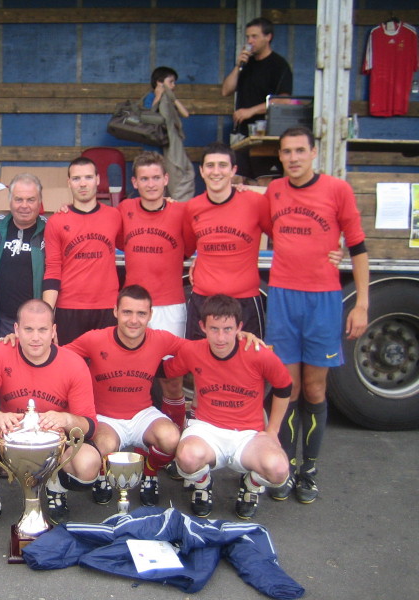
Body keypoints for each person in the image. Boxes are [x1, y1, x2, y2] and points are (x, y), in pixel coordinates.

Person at [265, 127, 369, 504]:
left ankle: (308, 469)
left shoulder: (337, 190)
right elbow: (254, 226)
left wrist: (362, 304)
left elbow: (357, 247)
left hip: (323, 299)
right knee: (287, 389)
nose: (293, 157)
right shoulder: (274, 191)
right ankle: (284, 468)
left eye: (300, 151)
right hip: (283, 298)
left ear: (313, 153)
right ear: (279, 156)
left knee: (314, 388)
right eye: (286, 151)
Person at [0, 299, 101, 532]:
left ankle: (56, 489)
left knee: (88, 464)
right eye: (28, 329)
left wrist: (66, 419)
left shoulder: (73, 363)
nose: (35, 337)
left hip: (55, 439)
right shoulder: (0, 352)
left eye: (43, 329)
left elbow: (90, 426)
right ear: (16, 330)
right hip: (13, 436)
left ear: (53, 331)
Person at [164, 295, 292, 520]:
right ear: (202, 326)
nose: (221, 337)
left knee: (278, 469)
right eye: (214, 329)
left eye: (227, 329)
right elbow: (162, 371)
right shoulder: (193, 351)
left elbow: (284, 387)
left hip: (248, 434)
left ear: (239, 327)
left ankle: (251, 486)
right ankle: (202, 486)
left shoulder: (258, 353)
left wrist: (272, 430)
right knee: (187, 457)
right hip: (207, 429)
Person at [65, 286, 185, 507]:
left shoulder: (160, 339)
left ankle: (149, 472)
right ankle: (103, 474)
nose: (134, 320)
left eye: (141, 314)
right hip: (105, 418)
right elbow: (57, 357)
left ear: (150, 315)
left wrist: (240, 339)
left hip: (142, 414)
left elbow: (201, 351)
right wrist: (20, 342)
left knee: (171, 439)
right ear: (115, 312)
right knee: (104, 444)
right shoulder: (94, 339)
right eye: (127, 312)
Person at [120, 152, 189, 425]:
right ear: (135, 182)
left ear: (166, 179)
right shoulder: (124, 209)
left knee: (171, 379)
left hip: (170, 306)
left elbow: (194, 246)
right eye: (144, 179)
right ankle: (140, 439)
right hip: (134, 308)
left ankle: (174, 441)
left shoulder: (181, 212)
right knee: (133, 377)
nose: (151, 184)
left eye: (156, 178)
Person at [183, 143, 271, 340]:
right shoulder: (192, 208)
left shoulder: (255, 203)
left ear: (233, 171)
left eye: (222, 165)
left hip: (244, 302)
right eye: (210, 165)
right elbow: (186, 249)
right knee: (200, 366)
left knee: (246, 367)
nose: (216, 172)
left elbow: (283, 236)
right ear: (201, 171)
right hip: (204, 301)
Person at [42, 157, 122, 345]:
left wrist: (164, 202)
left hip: (107, 307)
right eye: (77, 178)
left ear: (98, 179)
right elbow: (53, 269)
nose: (83, 183)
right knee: (69, 369)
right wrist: (46, 315)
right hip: (69, 308)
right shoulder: (57, 221)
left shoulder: (114, 216)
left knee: (104, 370)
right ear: (69, 183)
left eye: (88, 177)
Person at [0, 173, 47, 344]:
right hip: (0, 324)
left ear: (40, 201)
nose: (24, 206)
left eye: (31, 200)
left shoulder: (51, 230)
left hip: (36, 326)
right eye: (18, 199)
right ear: (9, 200)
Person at [221, 17, 293, 137]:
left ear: (268, 37)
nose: (249, 41)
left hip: (267, 132)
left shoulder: (279, 65)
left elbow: (283, 100)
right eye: (248, 37)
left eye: (254, 36)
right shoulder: (246, 63)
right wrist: (238, 66)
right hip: (243, 132)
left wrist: (251, 111)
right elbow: (225, 91)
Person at [142, 67, 195, 201]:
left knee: (171, 182)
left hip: (168, 149)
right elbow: (148, 115)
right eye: (170, 82)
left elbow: (185, 113)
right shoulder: (150, 97)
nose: (173, 85)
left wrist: (173, 98)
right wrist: (158, 95)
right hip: (154, 150)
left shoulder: (169, 100)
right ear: (159, 82)